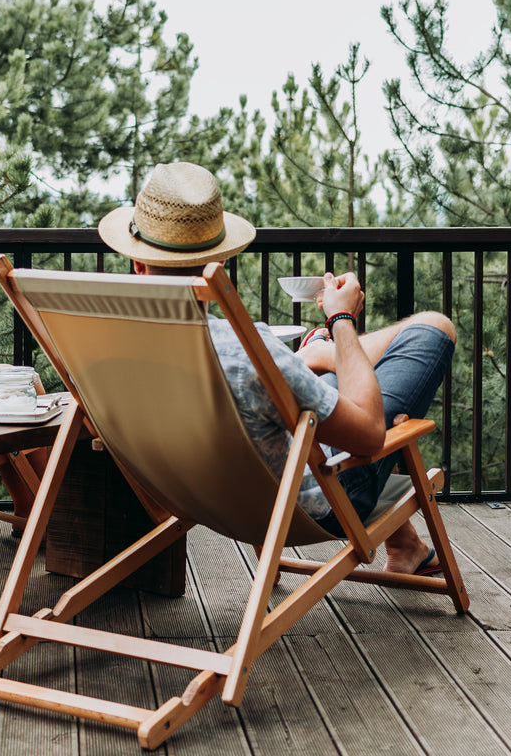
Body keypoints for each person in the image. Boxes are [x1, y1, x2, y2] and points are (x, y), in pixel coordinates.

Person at [97, 162, 456, 577]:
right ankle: (323, 351)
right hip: (315, 502)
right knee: (434, 328)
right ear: (220, 262)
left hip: (201, 499)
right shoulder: (250, 351)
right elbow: (371, 434)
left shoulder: (110, 348)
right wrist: (341, 320)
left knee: (319, 380)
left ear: (139, 265)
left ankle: (318, 358)